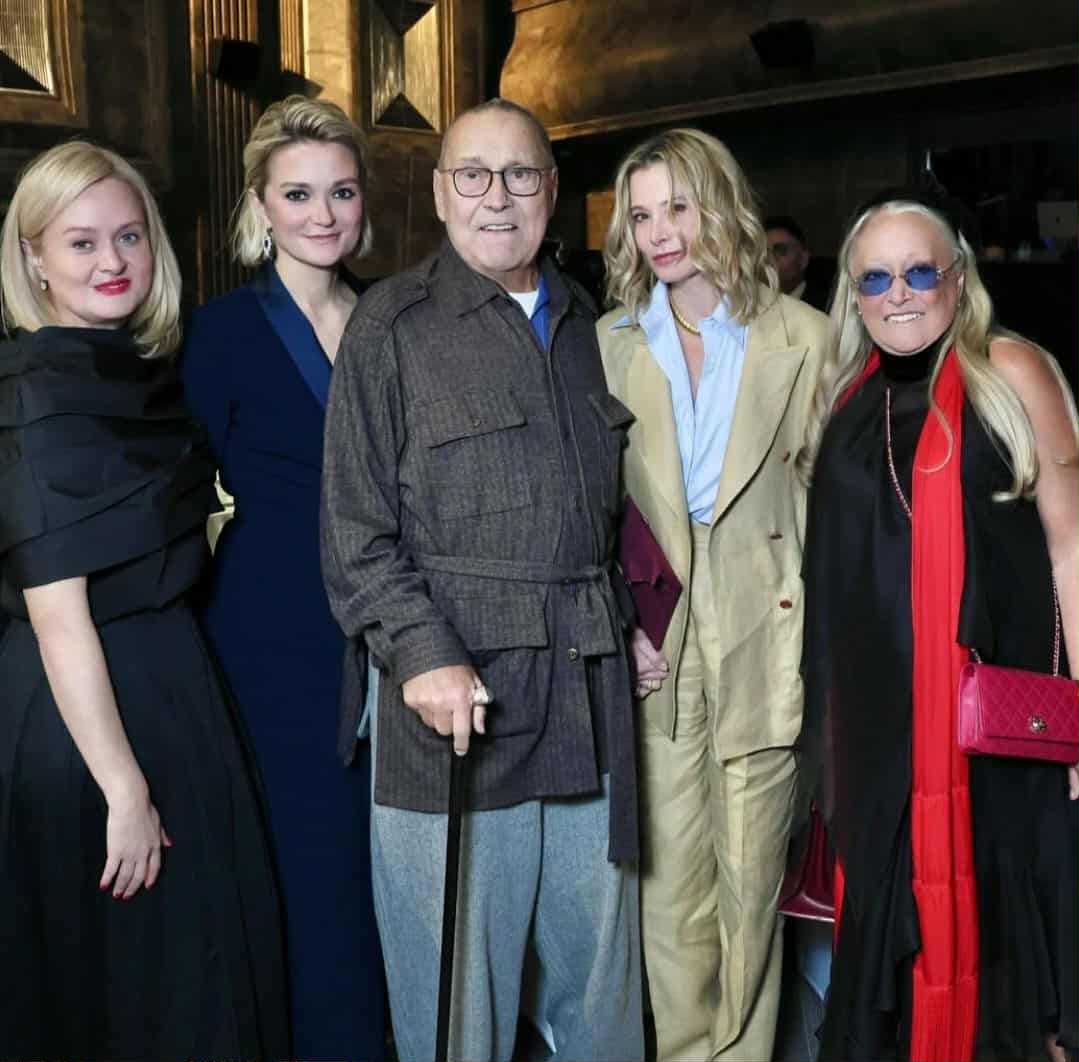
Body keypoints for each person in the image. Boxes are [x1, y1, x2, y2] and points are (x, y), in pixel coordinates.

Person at [320, 97, 644, 1062]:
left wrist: (632, 617)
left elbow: (617, 506)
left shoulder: (590, 322)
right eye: (473, 175)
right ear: (438, 192)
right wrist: (421, 655)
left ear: (553, 189)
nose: (496, 197)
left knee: (602, 992)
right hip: (453, 708)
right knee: (457, 1002)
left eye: (520, 174)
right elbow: (354, 530)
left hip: (587, 691)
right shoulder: (390, 325)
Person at [0, 140, 288, 1058]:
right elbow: (58, 619)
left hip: (171, 684)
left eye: (128, 236)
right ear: (33, 258)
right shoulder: (36, 394)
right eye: (81, 242)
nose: (112, 261)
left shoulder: (133, 366)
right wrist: (122, 788)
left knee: (191, 977)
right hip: (88, 716)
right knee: (135, 991)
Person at [799, 188, 1079, 1062]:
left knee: (1013, 957)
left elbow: (1072, 544)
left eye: (920, 272)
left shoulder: (1009, 369)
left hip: (998, 734)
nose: (899, 295)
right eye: (875, 278)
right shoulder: (846, 399)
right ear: (851, 293)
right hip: (880, 742)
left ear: (958, 278)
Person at [597, 128, 829, 1062]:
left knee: (752, 884)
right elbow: (591, 502)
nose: (659, 232)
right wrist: (620, 616)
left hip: (767, 624)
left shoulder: (805, 337)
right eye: (641, 214)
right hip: (657, 630)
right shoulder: (610, 342)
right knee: (669, 895)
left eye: (678, 207)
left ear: (721, 205)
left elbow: (825, 504)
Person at [180, 95, 386, 1061]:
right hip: (270, 629)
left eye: (341, 191)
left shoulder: (393, 320)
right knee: (303, 856)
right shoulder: (220, 330)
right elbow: (180, 490)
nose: (322, 213)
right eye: (298, 194)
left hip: (386, 622)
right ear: (260, 205)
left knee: (379, 862)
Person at [765, 214, 831, 312]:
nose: (770, 257)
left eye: (780, 250)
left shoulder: (827, 307)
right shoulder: (752, 306)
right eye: (764, 251)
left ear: (803, 259)